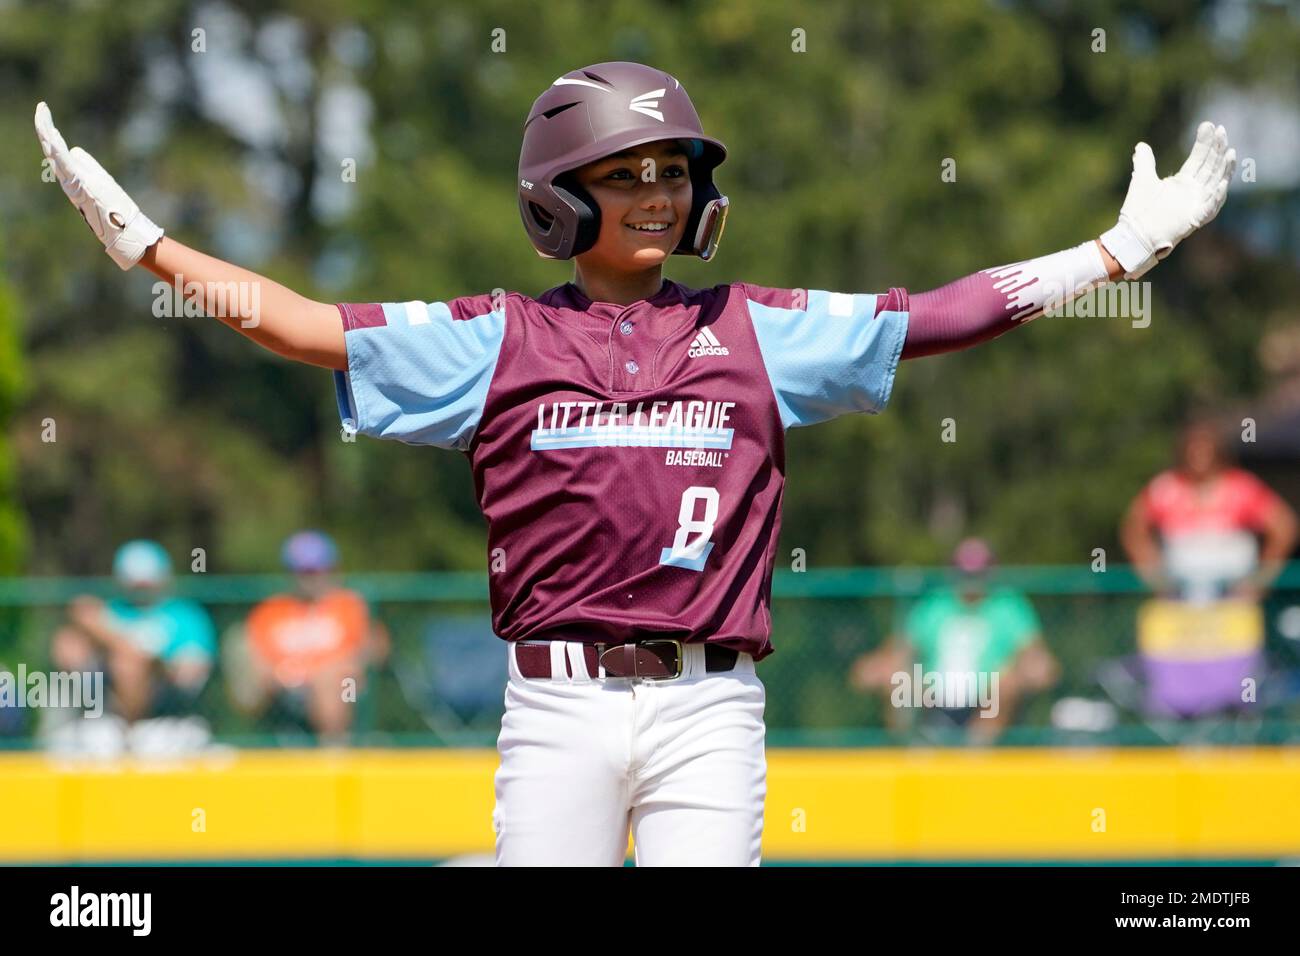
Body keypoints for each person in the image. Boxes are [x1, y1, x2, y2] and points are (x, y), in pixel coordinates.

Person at [34, 60, 1236, 865]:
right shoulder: (496, 335)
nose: (658, 194)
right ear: (559, 199)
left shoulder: (756, 328)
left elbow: (939, 314)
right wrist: (148, 248)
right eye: (626, 174)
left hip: (709, 701)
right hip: (555, 700)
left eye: (674, 172)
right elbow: (297, 323)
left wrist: (1117, 250)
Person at [850, 538, 1059, 744]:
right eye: (965, 573)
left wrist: (1026, 671)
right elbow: (898, 650)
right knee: (897, 679)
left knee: (1006, 683)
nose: (971, 580)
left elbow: (1036, 658)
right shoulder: (934, 606)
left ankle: (975, 753)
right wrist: (882, 669)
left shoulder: (1009, 607)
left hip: (988, 699)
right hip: (933, 694)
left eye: (977, 573)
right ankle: (910, 751)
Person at [230, 530, 388, 740]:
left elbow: (376, 649)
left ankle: (334, 751)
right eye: (303, 572)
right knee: (241, 654)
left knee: (330, 681)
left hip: (345, 690)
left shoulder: (348, 605)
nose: (310, 579)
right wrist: (283, 674)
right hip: (284, 689)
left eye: (316, 570)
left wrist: (333, 669)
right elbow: (255, 655)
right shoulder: (271, 611)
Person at [1121, 417, 1298, 603]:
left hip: (1233, 598)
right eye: (1194, 449)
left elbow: (1284, 526)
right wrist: (1153, 575)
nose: (1199, 456)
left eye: (1205, 449)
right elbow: (1133, 528)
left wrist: (1261, 579)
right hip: (1180, 597)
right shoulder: (1165, 487)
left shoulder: (1241, 487)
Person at [51, 540, 215, 723]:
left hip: (167, 706)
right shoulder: (114, 609)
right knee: (69, 642)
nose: (141, 591)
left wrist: (123, 647)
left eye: (147, 584)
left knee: (127, 664)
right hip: (109, 701)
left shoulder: (186, 616)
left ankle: (132, 727)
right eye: (135, 585)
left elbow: (188, 675)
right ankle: (72, 720)